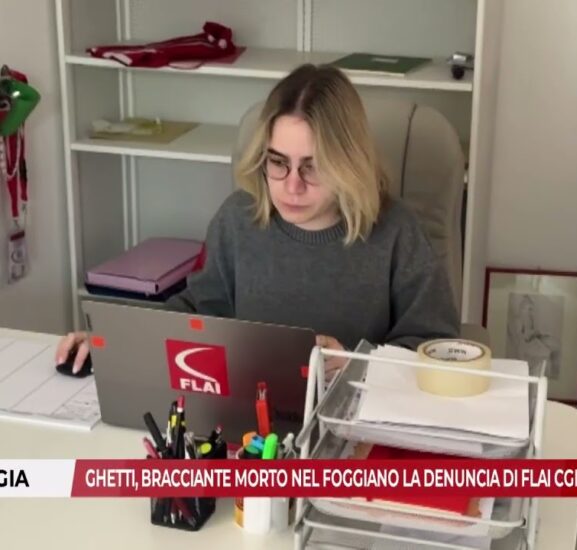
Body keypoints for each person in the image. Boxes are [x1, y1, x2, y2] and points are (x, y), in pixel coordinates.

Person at [56, 63, 460, 377]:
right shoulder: (238, 219)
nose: (292, 186)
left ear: (347, 164)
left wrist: (359, 363)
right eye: (278, 162)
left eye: (313, 167)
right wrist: (113, 340)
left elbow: (437, 349)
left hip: (353, 423)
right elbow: (199, 310)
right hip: (250, 421)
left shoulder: (397, 232)